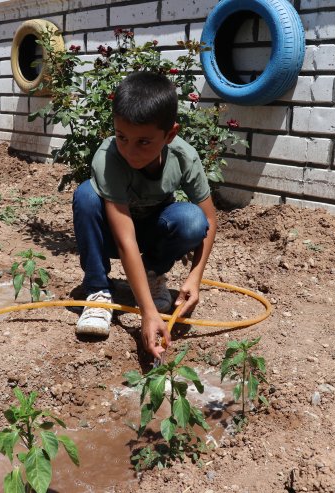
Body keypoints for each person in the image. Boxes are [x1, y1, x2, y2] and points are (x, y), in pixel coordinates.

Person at [72, 71, 218, 359]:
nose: (129, 150)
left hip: (152, 235)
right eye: (122, 137)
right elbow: (125, 240)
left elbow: (210, 219)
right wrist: (149, 314)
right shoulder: (108, 158)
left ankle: (152, 275)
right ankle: (98, 292)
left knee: (192, 220)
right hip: (114, 235)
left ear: (170, 134)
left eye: (143, 142)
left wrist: (195, 278)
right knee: (87, 195)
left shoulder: (183, 158)